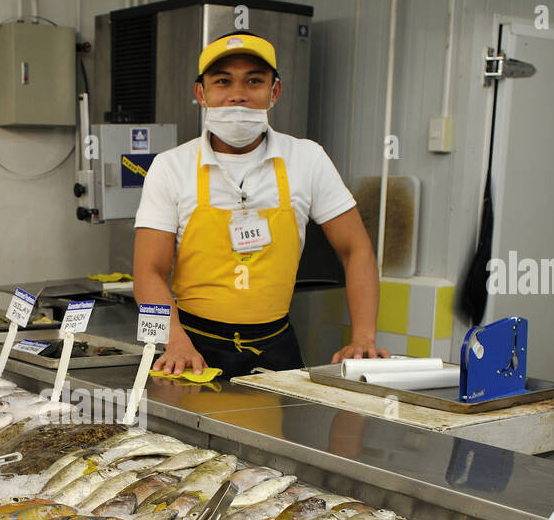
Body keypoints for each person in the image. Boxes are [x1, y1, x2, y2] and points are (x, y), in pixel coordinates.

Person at [133, 33, 388, 379]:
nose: (238, 94)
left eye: (254, 81)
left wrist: (363, 337)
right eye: (223, 81)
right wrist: (173, 341)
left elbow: (356, 248)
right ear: (201, 93)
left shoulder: (306, 158)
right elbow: (148, 271)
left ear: (275, 91)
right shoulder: (171, 166)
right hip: (192, 349)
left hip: (277, 347)